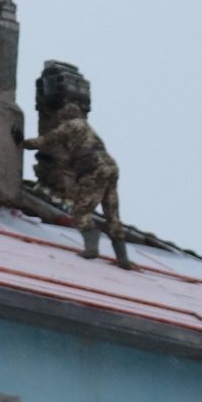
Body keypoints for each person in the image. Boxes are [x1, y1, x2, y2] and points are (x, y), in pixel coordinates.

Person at [23, 60, 130, 267]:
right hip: (109, 166)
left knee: (81, 212)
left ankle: (91, 248)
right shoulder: (88, 128)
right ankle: (122, 257)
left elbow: (45, 140)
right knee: (111, 213)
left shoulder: (71, 125)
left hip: (92, 168)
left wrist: (22, 142)